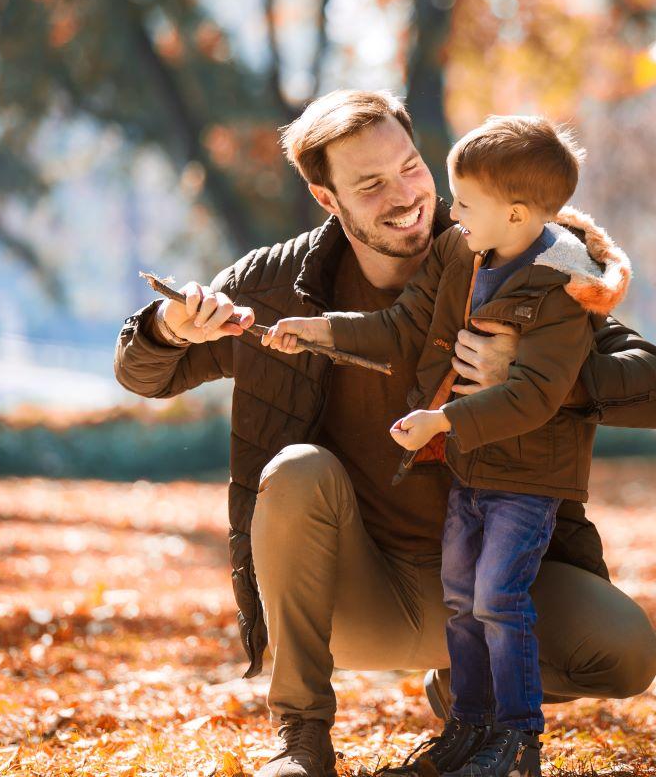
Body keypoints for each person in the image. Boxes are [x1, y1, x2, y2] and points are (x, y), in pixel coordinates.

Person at [111, 90, 656, 777]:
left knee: (626, 652)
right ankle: (301, 737)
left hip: (496, 573)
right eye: (371, 183)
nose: (407, 194)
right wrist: (171, 327)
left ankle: (469, 691)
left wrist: (538, 372)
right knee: (296, 469)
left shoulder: (513, 255)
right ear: (329, 201)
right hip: (361, 592)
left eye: (411, 167)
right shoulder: (273, 286)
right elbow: (143, 374)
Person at [261, 116, 629, 777]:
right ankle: (465, 725)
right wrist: (318, 329)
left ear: (516, 214)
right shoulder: (463, 252)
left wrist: (444, 421)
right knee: (467, 600)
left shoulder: (561, 279)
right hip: (467, 485)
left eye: (465, 203)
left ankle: (515, 741)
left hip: (523, 485)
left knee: (498, 600)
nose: (447, 212)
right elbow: (400, 329)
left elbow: (536, 397)